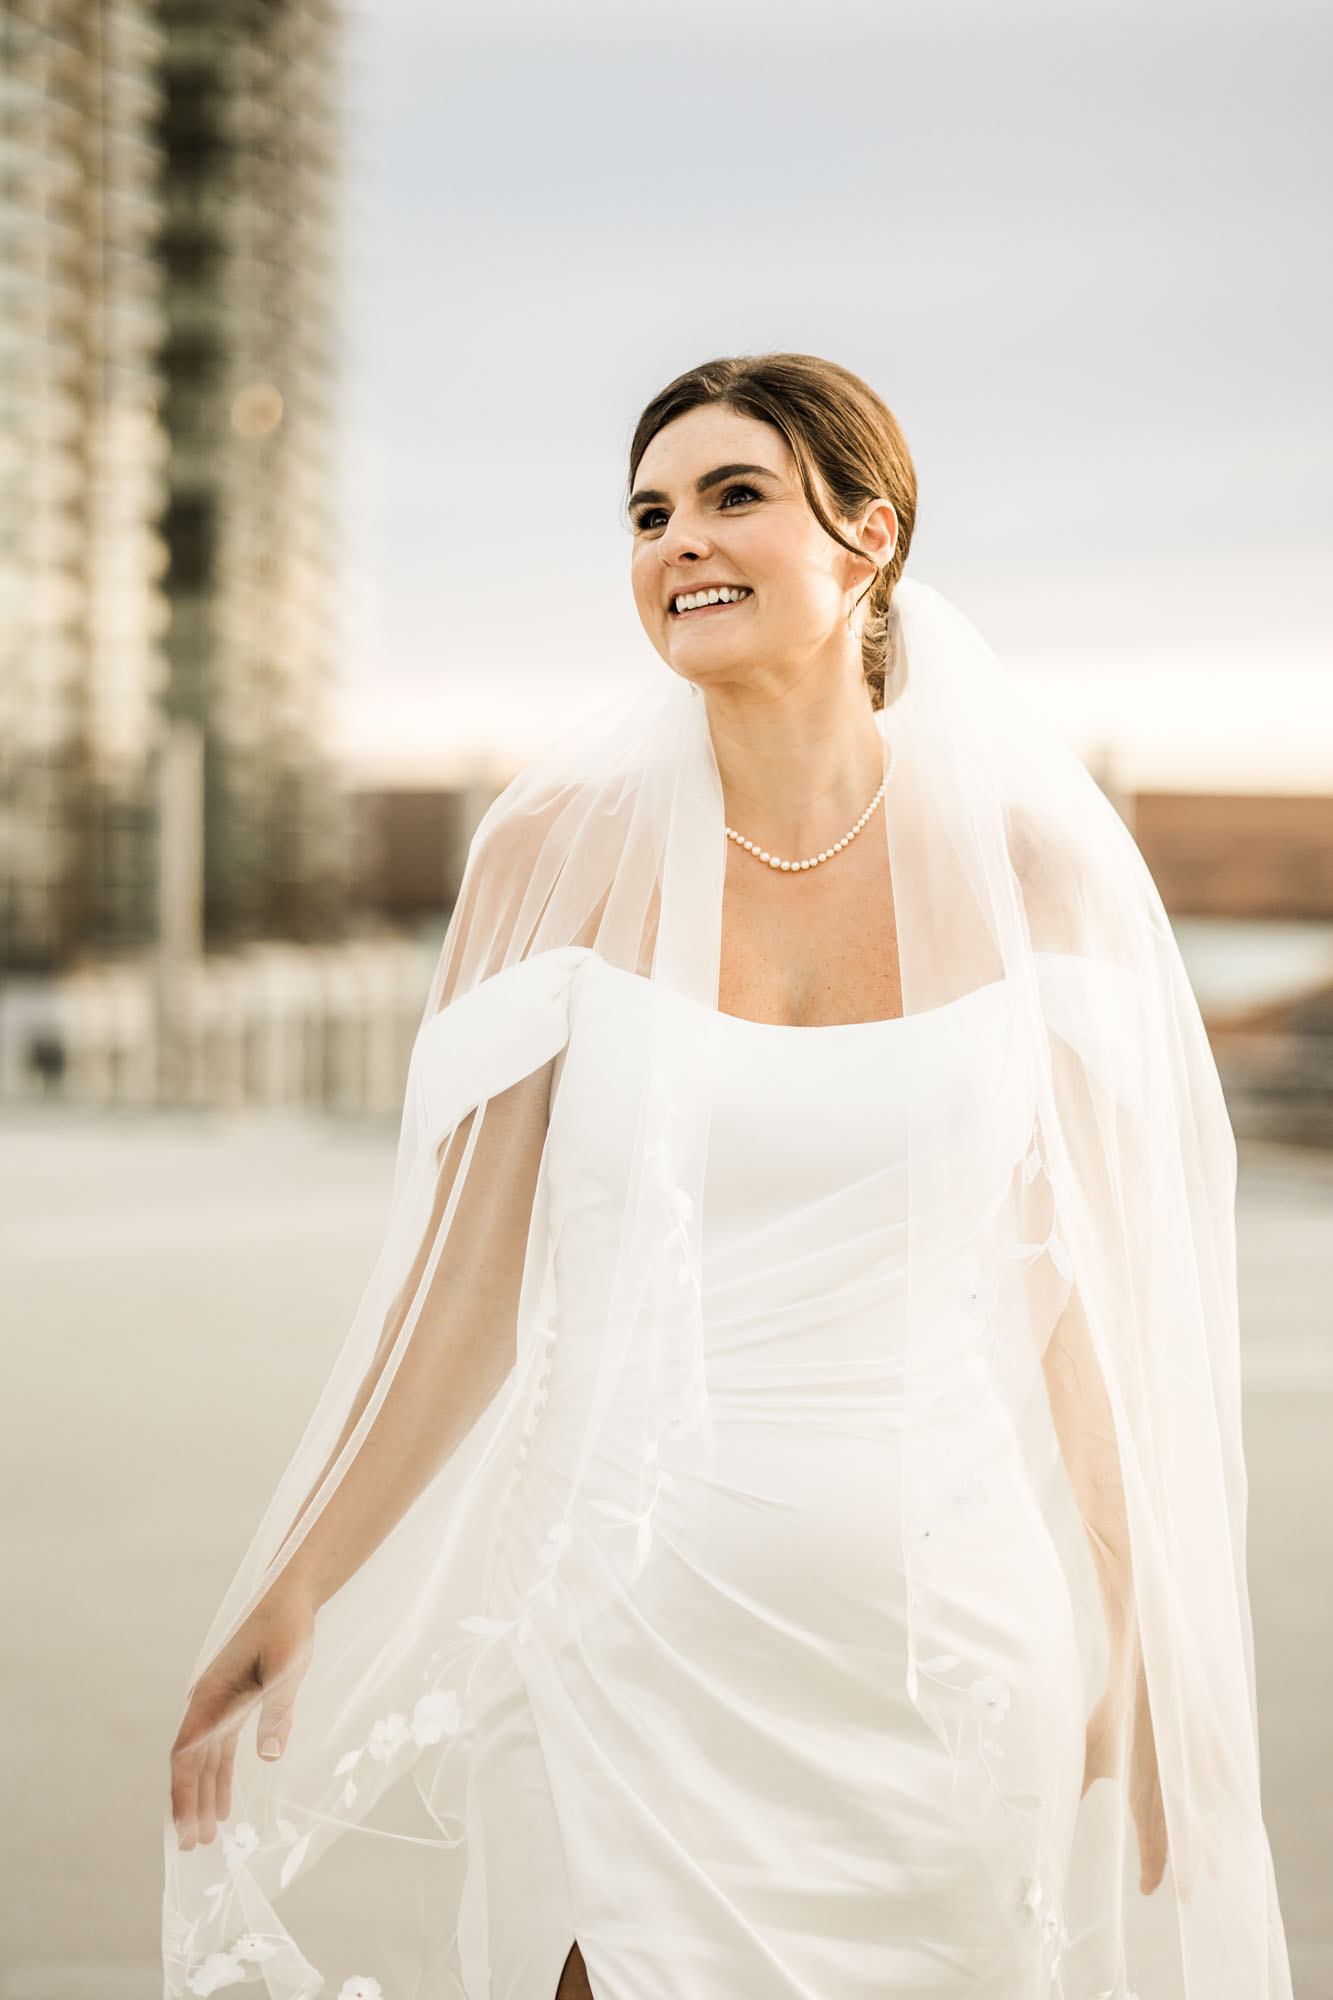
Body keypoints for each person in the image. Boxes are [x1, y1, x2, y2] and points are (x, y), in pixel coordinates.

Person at [166, 354, 1292, 2000]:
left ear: (867, 540)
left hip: (941, 1644)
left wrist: (1149, 1640)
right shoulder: (549, 853)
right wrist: (303, 1572)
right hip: (628, 1620)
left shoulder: (1032, 870)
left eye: (732, 495)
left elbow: (1084, 1306)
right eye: (647, 512)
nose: (676, 540)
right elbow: (466, 1286)